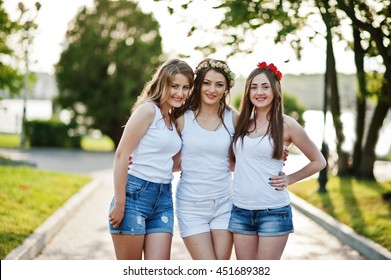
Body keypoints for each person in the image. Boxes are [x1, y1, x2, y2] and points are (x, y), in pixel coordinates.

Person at [228, 61, 326, 260]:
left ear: (275, 91)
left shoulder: (286, 124)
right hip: (240, 209)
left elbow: (319, 161)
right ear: (247, 92)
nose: (259, 92)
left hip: (272, 211)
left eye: (265, 86)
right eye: (254, 87)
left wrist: (289, 179)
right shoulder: (241, 123)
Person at [108, 58, 194, 260]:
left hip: (163, 196)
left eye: (185, 87)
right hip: (134, 197)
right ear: (162, 84)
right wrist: (120, 202)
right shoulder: (148, 110)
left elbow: (167, 162)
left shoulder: (171, 118)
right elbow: (121, 155)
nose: (180, 93)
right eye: (174, 86)